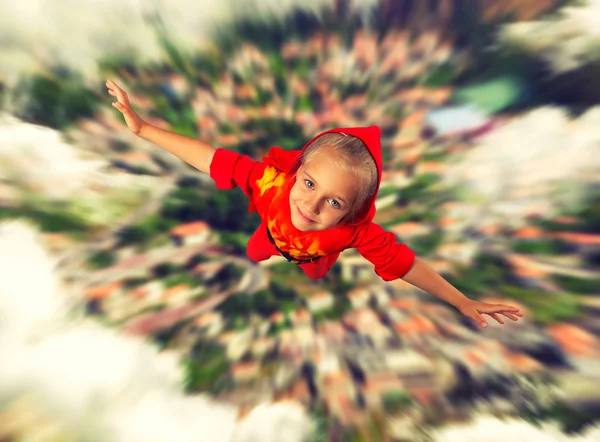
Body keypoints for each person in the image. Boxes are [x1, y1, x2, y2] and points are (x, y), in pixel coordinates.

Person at [106, 79, 524, 328]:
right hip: (271, 233)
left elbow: (408, 267)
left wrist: (461, 300)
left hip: (312, 254)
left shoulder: (357, 232)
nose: (311, 205)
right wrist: (143, 129)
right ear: (298, 168)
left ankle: (309, 264)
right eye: (308, 182)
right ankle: (275, 252)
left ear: (353, 212)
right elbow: (207, 157)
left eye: (334, 201)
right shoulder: (270, 182)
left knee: (314, 269)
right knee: (256, 250)